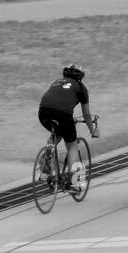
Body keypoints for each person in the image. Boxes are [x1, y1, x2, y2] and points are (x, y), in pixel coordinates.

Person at [38, 64, 98, 192]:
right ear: (80, 77)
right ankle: (73, 183)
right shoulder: (81, 88)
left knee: (56, 134)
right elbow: (86, 114)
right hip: (63, 115)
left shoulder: (56, 82)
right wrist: (92, 130)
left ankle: (48, 162)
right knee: (72, 146)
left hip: (43, 112)